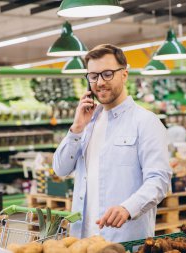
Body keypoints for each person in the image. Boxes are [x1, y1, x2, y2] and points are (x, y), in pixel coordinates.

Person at [52, 44, 172, 242]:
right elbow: (60, 169)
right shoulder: (88, 122)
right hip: (83, 240)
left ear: (124, 75)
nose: (99, 82)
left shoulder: (146, 122)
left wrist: (128, 208)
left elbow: (159, 180)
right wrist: (76, 128)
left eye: (107, 74)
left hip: (123, 240)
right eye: (93, 76)